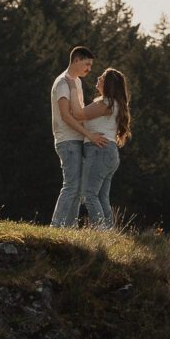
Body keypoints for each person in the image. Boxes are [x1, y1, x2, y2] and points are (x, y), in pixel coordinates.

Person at [49, 46, 115, 228]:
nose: (89, 69)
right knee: (71, 186)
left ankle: (67, 228)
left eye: (91, 65)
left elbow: (81, 112)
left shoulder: (76, 82)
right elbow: (66, 115)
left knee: (78, 190)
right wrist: (90, 135)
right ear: (76, 60)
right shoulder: (63, 82)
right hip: (68, 140)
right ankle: (57, 227)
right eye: (86, 64)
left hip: (77, 140)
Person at [73, 66, 132, 229]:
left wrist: (71, 90)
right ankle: (109, 233)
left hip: (99, 151)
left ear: (108, 84)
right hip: (109, 153)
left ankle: (102, 232)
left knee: (90, 195)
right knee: (101, 197)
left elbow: (79, 114)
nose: (98, 78)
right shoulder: (115, 104)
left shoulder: (105, 103)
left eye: (102, 77)